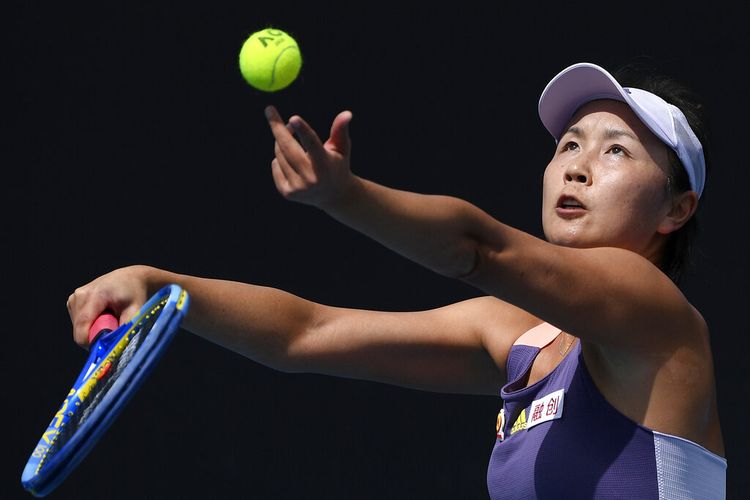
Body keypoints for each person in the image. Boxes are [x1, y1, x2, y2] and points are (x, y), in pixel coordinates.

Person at [66, 62, 726, 499]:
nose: (578, 167)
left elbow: (477, 249)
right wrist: (161, 288)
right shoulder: (518, 336)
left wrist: (346, 196)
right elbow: (306, 333)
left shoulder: (657, 319)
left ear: (677, 209)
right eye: (569, 145)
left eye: (617, 149)